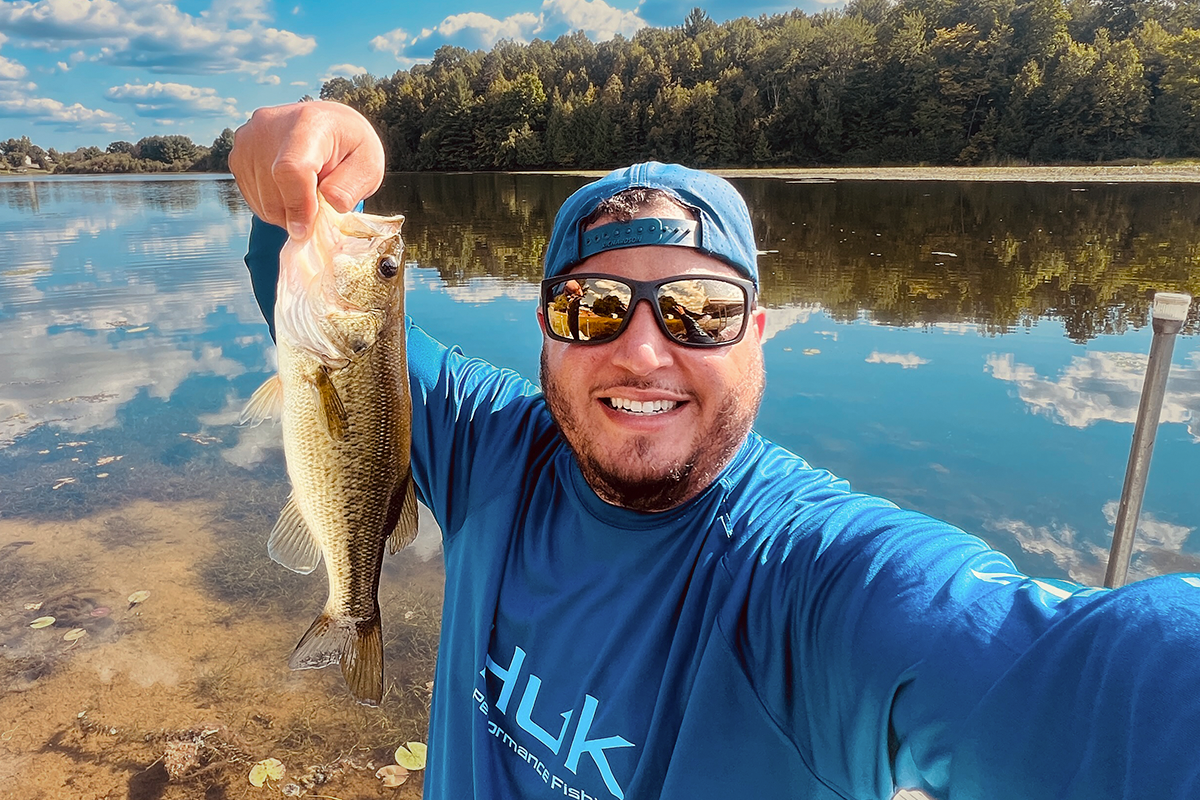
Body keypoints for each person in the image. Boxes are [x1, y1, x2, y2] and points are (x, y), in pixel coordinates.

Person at [232, 102, 1200, 800]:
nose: (643, 348)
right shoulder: (493, 444)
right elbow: (299, 291)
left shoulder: (818, 582)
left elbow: (1095, 684)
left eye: (701, 311)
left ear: (760, 331)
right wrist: (290, 152)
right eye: (592, 306)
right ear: (545, 329)